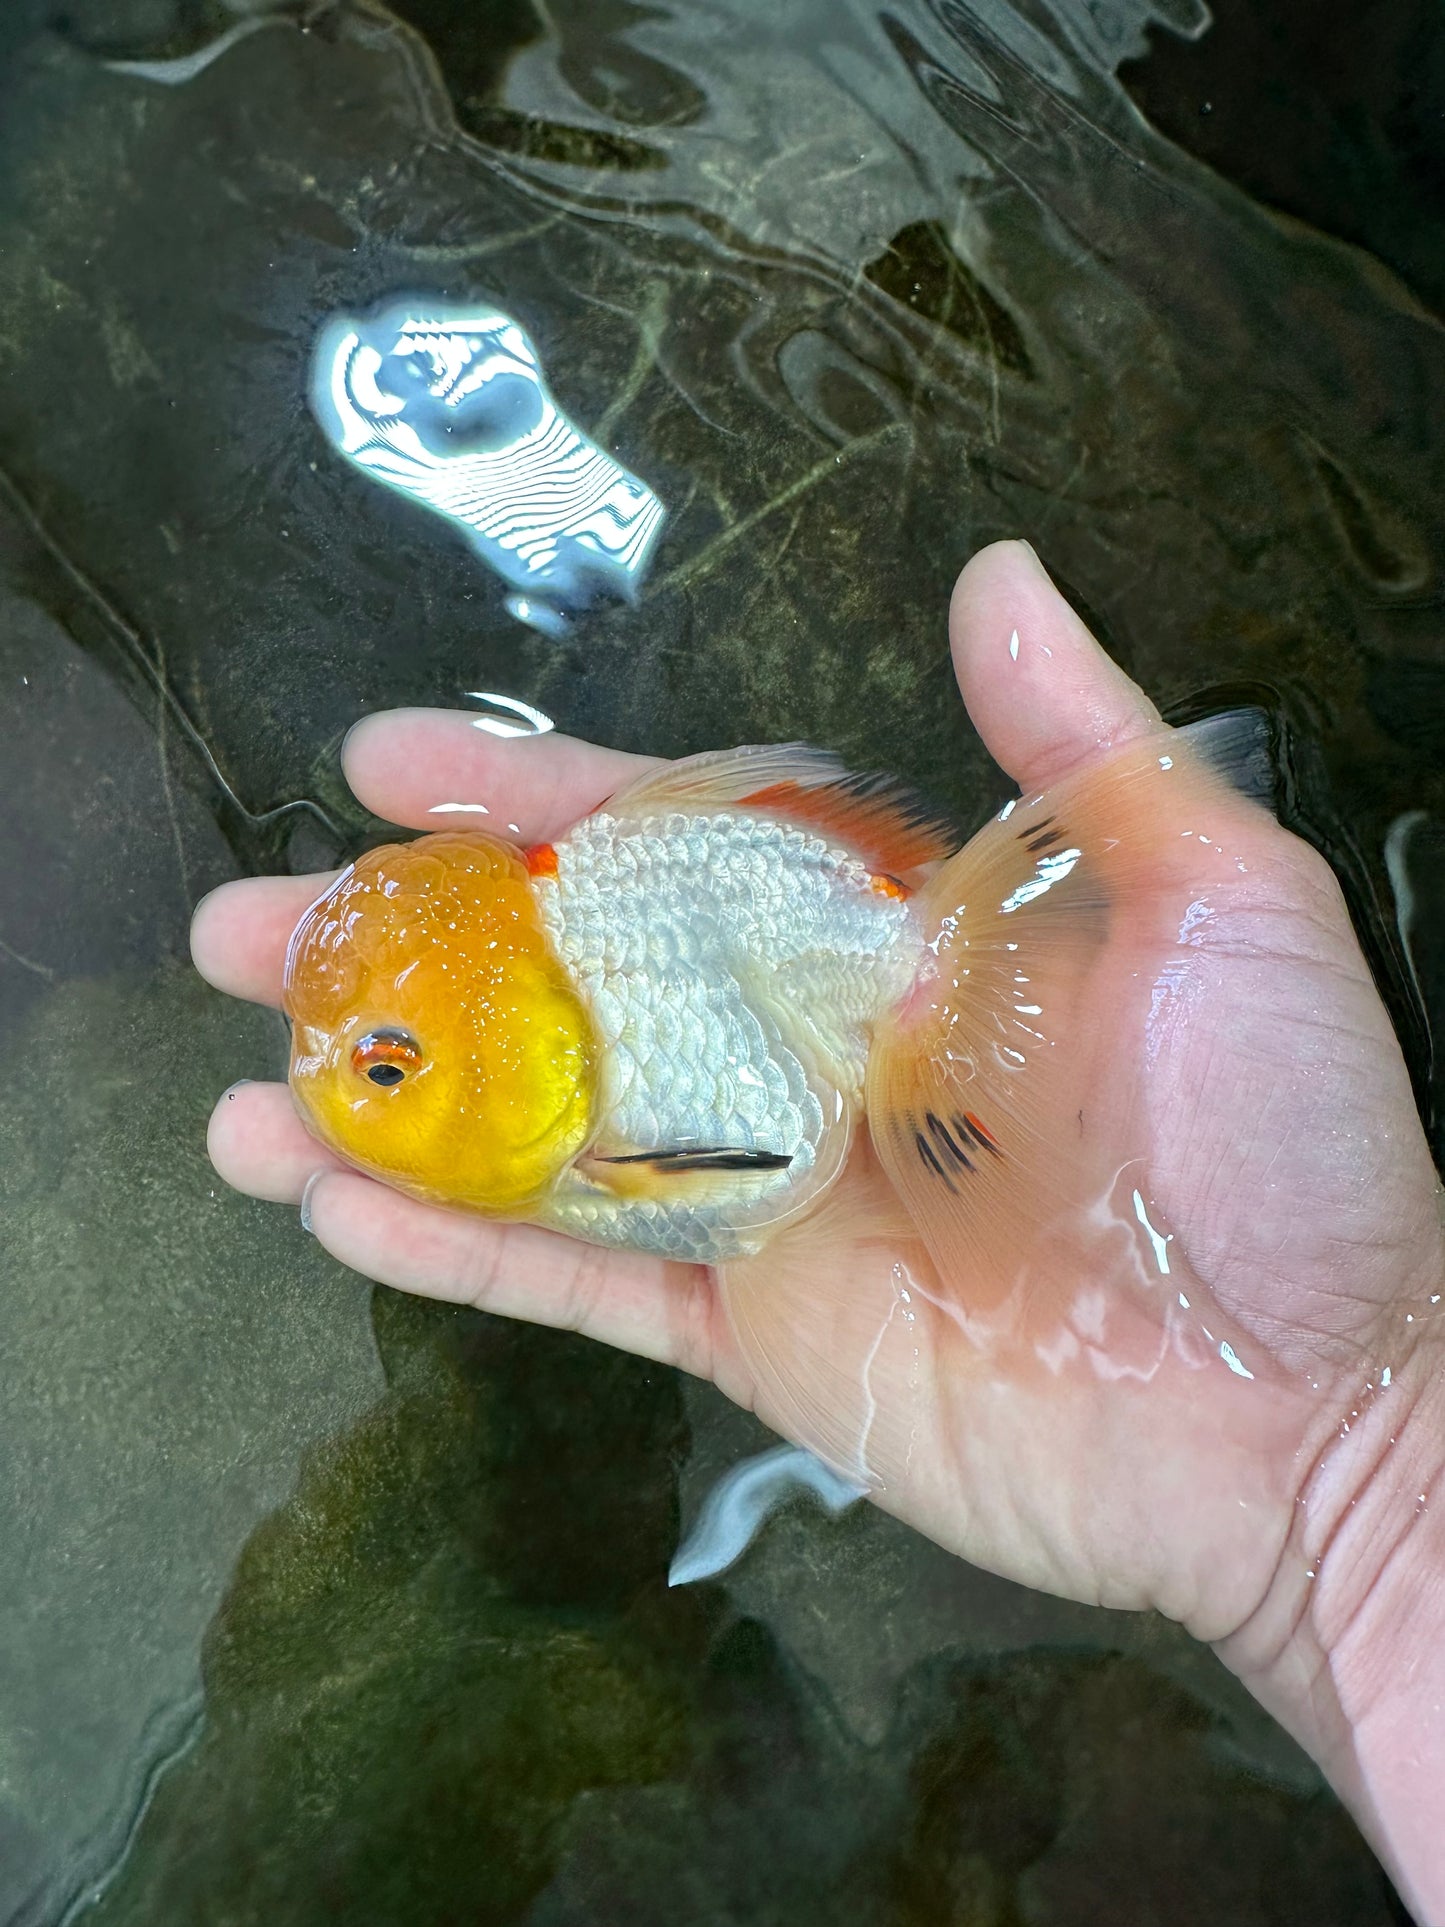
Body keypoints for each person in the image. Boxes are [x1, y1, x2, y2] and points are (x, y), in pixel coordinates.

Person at [192, 540, 1445, 1920]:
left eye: (380, 1067)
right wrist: (1369, 1480)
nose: (336, 1085)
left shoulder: (617, 1082)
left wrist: (1366, 1468)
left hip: (838, 970)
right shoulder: (562, 1016)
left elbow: (752, 1169)